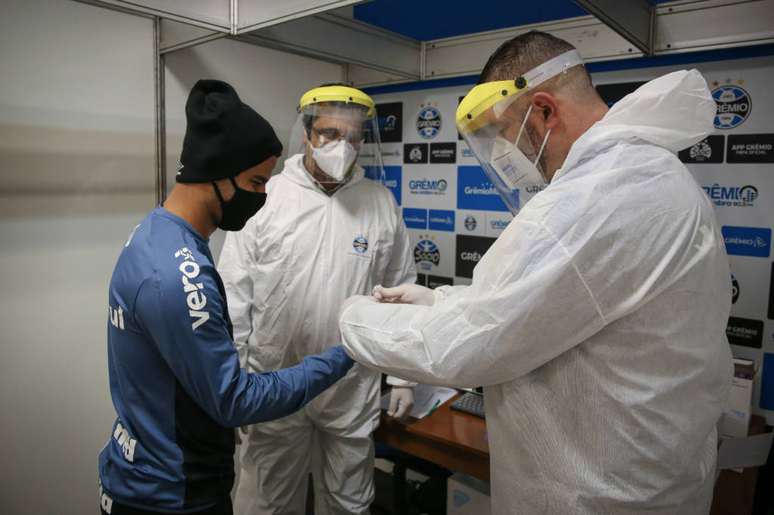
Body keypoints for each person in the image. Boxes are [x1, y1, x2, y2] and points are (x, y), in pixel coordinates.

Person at [338, 31, 733, 515]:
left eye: (502, 135)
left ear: (544, 111)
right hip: (639, 481)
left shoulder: (595, 198)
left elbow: (465, 348)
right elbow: (550, 310)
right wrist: (438, 301)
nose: (504, 156)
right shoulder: (644, 173)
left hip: (596, 496)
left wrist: (352, 315)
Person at [98, 80, 355, 515]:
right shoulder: (179, 275)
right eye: (255, 181)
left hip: (145, 474)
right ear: (215, 172)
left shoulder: (155, 233)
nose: (261, 196)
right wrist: (345, 353)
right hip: (172, 495)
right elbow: (235, 400)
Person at [218, 83, 417, 514]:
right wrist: (228, 385)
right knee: (266, 504)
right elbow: (233, 296)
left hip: (349, 385)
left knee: (349, 503)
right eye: (329, 133)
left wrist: (402, 376)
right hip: (273, 383)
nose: (341, 146)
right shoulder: (266, 198)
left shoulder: (379, 203)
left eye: (352, 136)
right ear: (307, 133)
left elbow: (400, 290)